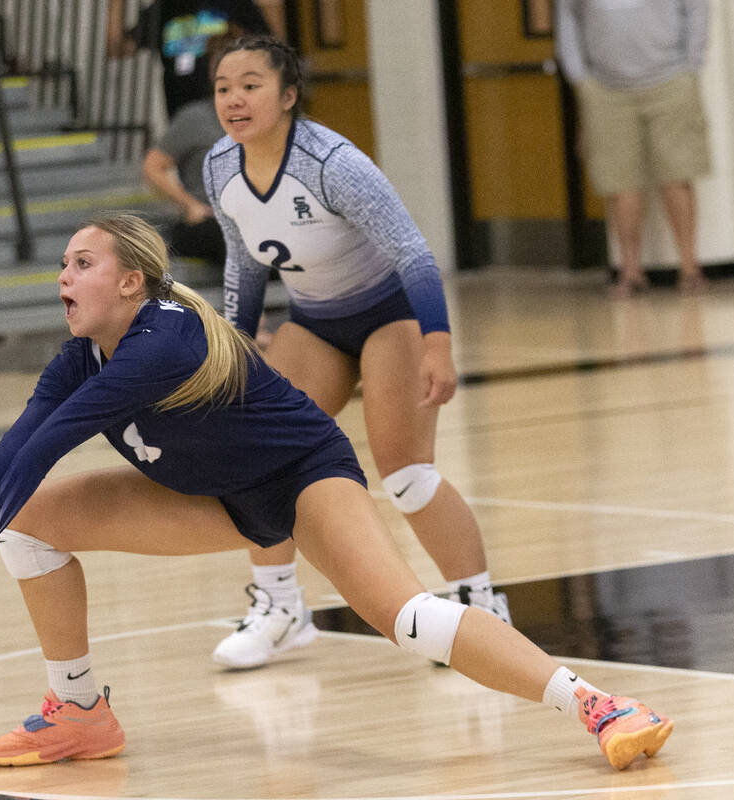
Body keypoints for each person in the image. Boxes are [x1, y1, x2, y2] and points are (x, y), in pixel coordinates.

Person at [0, 211, 674, 772]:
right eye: (62, 266)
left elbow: (54, 443)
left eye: (82, 263)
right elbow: (18, 453)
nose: (63, 277)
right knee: (29, 523)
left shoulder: (164, 339)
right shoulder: (80, 358)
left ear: (131, 279)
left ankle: (598, 706)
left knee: (405, 616)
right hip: (215, 498)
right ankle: (80, 713)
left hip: (303, 477)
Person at [202, 35, 510, 670]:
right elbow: (246, 266)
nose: (234, 99)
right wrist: (233, 354)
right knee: (260, 458)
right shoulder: (218, 167)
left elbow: (413, 253)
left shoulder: (332, 163)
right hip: (313, 321)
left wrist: (437, 344)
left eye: (251, 85)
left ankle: (481, 608)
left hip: (388, 315)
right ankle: (282, 609)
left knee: (405, 474)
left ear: (288, 97)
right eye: (223, 87)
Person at [555, 0, 711, 297]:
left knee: (677, 175)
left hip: (670, 82)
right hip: (605, 89)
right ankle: (630, 272)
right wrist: (579, 76)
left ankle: (690, 269)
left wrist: (690, 66)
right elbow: (568, 19)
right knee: (619, 182)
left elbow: (696, 8)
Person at [106, 0, 284, 119]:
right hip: (182, 116)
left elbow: (272, 50)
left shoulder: (235, 4)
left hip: (232, 114)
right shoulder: (165, 7)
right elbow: (118, 49)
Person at [143, 97, 227, 268]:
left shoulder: (273, 118)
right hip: (209, 220)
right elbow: (153, 165)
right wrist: (190, 205)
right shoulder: (197, 118)